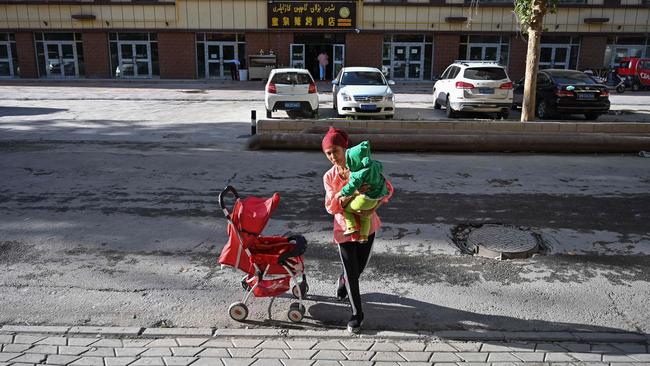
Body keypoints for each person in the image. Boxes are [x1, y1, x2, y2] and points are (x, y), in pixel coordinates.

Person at [322, 127, 393, 334]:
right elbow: (332, 206)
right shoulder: (329, 177)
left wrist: (375, 202)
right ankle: (357, 315)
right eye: (328, 153)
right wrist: (353, 193)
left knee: (358, 269)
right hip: (343, 230)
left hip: (368, 227)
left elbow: (387, 188)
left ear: (346, 148)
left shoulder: (364, 166)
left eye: (336, 150)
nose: (333, 157)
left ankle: (342, 279)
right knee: (352, 272)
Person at [335, 140, 388, 243]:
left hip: (364, 200)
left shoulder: (357, 174)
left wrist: (340, 193)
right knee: (366, 217)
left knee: (347, 209)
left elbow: (350, 188)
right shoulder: (375, 165)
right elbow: (381, 167)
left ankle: (351, 227)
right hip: (376, 198)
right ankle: (364, 236)